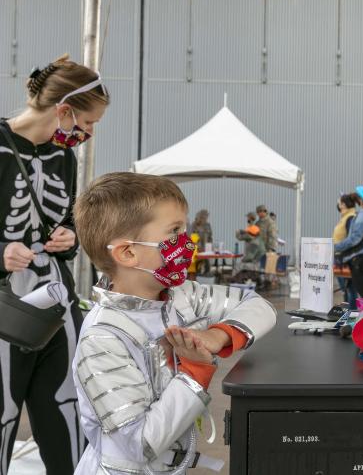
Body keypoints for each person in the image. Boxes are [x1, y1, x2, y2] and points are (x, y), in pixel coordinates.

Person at [71, 172, 277, 473]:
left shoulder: (182, 296)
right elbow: (141, 443)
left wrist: (218, 336)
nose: (186, 241)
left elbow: (259, 305)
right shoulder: (103, 338)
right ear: (128, 252)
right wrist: (195, 373)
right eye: (174, 232)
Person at [0, 54, 109, 474]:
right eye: (89, 123)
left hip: (56, 300)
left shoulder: (64, 157)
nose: (89, 133)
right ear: (64, 110)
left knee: (67, 407)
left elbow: (65, 221)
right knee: (3, 412)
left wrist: (69, 237)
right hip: (5, 303)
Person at [333, 193, 360, 309]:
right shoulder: (345, 217)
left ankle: (352, 316)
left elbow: (351, 240)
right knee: (347, 290)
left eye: (339, 202)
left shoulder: (350, 218)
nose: (338, 204)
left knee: (350, 290)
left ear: (343, 204)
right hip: (340, 257)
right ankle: (347, 315)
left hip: (344, 259)